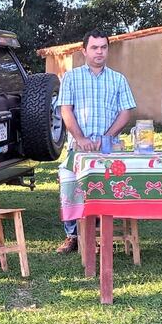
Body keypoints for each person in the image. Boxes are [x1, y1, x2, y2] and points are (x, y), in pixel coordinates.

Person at [55, 29, 137, 253]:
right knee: (68, 183)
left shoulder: (118, 79)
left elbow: (125, 112)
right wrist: (80, 138)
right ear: (84, 51)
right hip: (78, 147)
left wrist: (107, 137)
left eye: (103, 47)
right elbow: (66, 110)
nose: (99, 52)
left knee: (105, 188)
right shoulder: (71, 77)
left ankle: (101, 235)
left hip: (108, 148)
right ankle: (73, 235)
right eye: (94, 47)